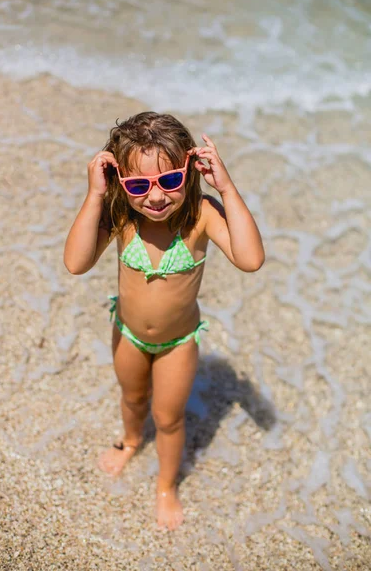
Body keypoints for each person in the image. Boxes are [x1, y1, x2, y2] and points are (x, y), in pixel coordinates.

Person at [63, 111, 265, 531]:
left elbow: (250, 259)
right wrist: (95, 195)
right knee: (133, 400)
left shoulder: (202, 216)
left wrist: (225, 188)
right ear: (121, 183)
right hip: (128, 334)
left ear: (190, 172)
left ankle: (166, 486)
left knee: (170, 418)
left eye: (169, 180)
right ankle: (131, 439)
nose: (155, 197)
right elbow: (76, 262)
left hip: (177, 342)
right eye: (138, 185)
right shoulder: (122, 214)